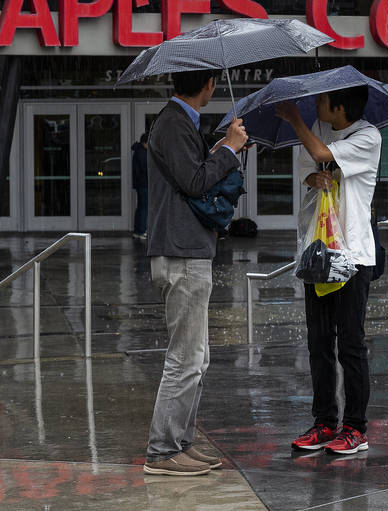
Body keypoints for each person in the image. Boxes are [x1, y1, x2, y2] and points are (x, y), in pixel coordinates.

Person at [142, 70, 248, 476]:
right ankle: (162, 450)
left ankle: (179, 443)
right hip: (181, 251)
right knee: (184, 358)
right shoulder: (172, 122)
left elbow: (191, 174)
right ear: (210, 85)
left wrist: (222, 146)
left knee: (196, 358)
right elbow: (194, 180)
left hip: (188, 249)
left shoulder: (179, 122)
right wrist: (229, 151)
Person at [275, 86, 381, 456]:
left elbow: (320, 154)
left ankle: (355, 428)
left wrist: (294, 119)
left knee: (350, 345)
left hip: (353, 256)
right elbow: (307, 168)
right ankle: (324, 422)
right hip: (317, 254)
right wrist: (313, 179)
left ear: (340, 106)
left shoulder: (368, 136)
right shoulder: (318, 132)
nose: (315, 105)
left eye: (321, 101)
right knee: (319, 344)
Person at [131, 133, 149, 240]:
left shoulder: (138, 151)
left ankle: (137, 230)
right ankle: (141, 231)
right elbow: (145, 168)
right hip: (144, 183)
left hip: (140, 184)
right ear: (145, 142)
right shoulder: (142, 153)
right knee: (144, 208)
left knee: (141, 207)